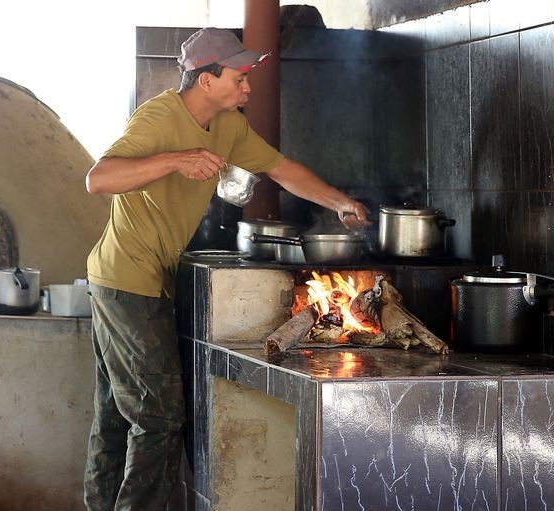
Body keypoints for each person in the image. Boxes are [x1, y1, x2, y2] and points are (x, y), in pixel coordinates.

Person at [82, 27, 370, 510]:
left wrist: (341, 203)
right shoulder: (159, 117)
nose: (248, 86)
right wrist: (177, 159)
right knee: (159, 417)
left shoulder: (229, 125)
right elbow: (99, 178)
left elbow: (281, 169)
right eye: (239, 76)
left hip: (147, 279)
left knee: (117, 414)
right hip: (124, 279)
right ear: (205, 79)